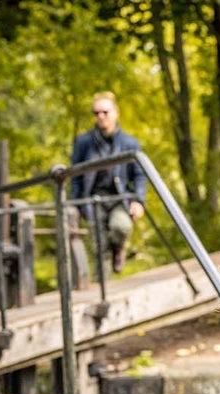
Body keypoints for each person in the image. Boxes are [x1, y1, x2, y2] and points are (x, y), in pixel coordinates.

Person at [70, 91, 146, 273]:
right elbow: (75, 176)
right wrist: (75, 205)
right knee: (98, 247)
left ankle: (118, 248)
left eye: (105, 112)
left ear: (116, 112)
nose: (101, 116)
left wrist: (139, 200)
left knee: (121, 227)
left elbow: (139, 174)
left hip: (120, 197)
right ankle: (104, 292)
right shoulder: (84, 142)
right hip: (93, 199)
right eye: (96, 113)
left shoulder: (130, 142)